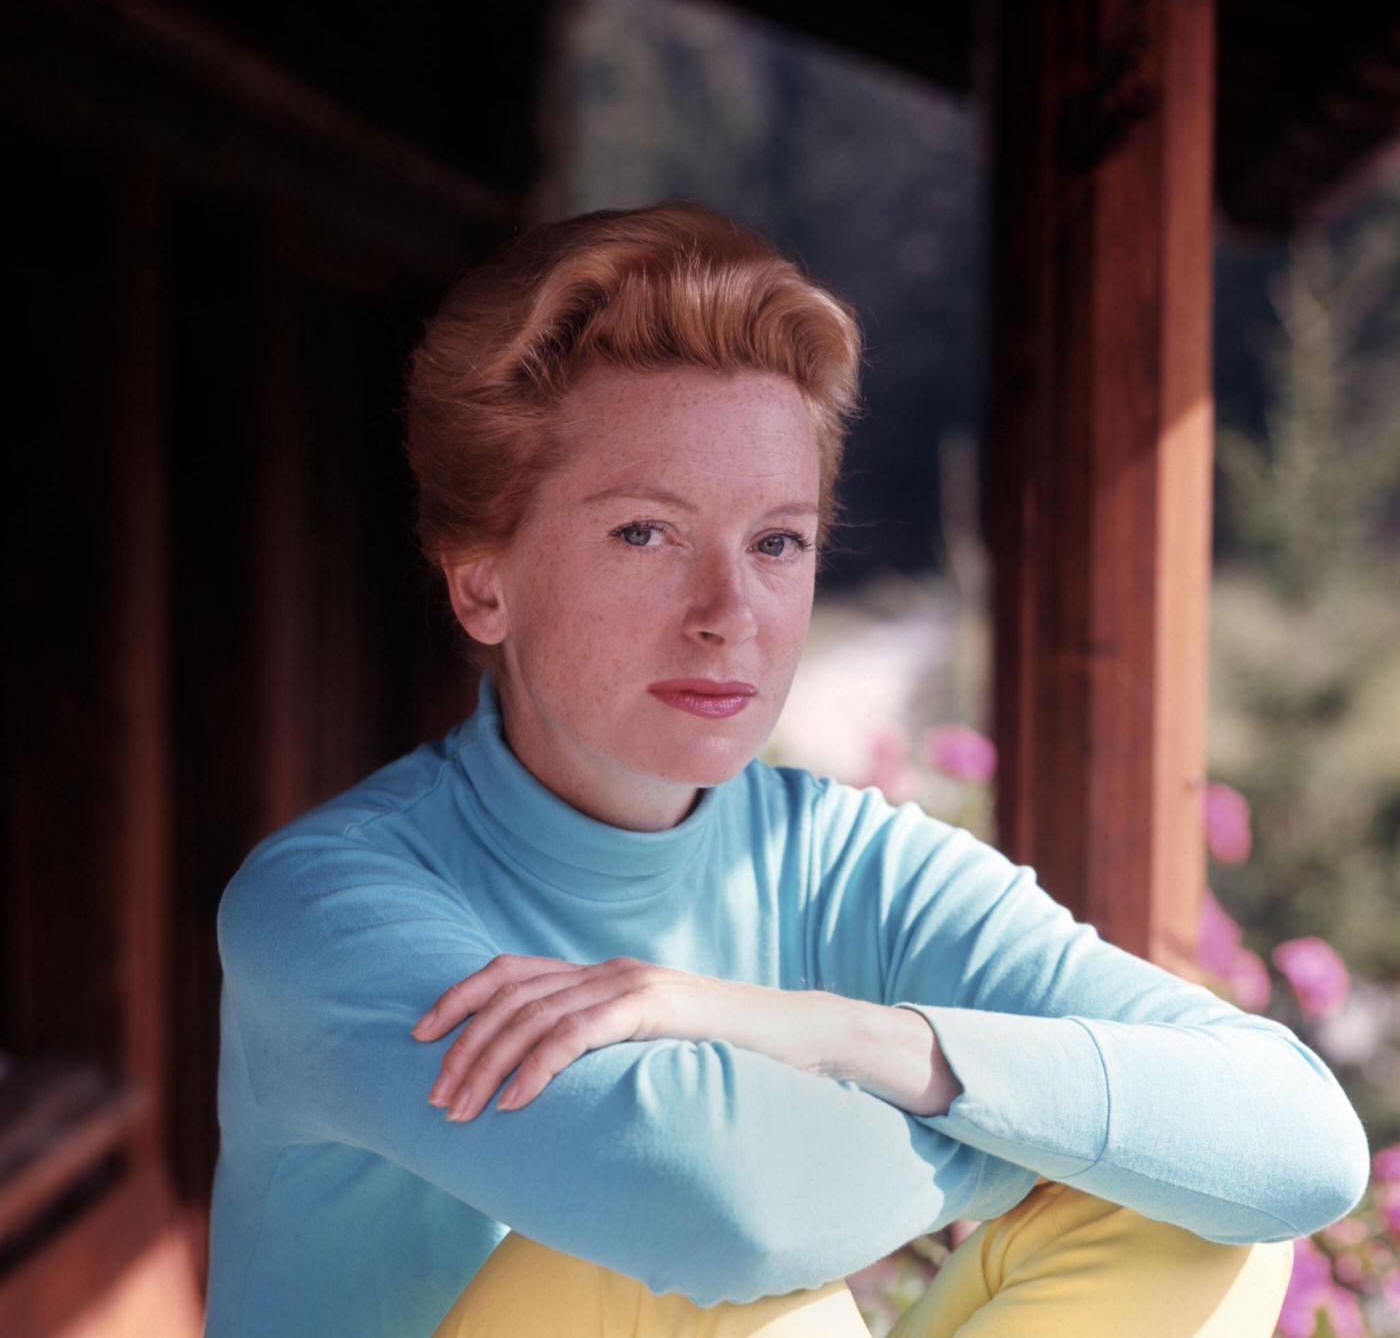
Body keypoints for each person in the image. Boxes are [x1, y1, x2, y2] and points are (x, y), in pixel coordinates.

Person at [205, 200, 1369, 1337]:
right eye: (645, 533)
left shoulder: (842, 861)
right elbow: (723, 1208)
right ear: (482, 582)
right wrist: (1032, 1125)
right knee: (705, 1271)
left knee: (1210, 1218)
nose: (730, 615)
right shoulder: (322, 908)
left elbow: (1301, 1142)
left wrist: (821, 1029)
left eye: (776, 541)